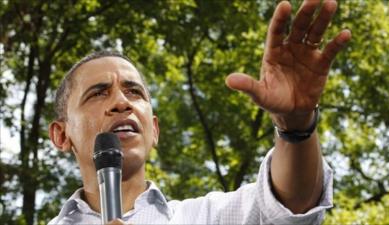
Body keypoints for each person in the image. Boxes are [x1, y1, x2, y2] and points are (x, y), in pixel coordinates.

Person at [48, 0, 351, 224]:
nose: (121, 102)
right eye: (98, 93)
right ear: (61, 135)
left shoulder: (206, 217)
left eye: (134, 92)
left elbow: (290, 206)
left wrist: (296, 125)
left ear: (154, 129)